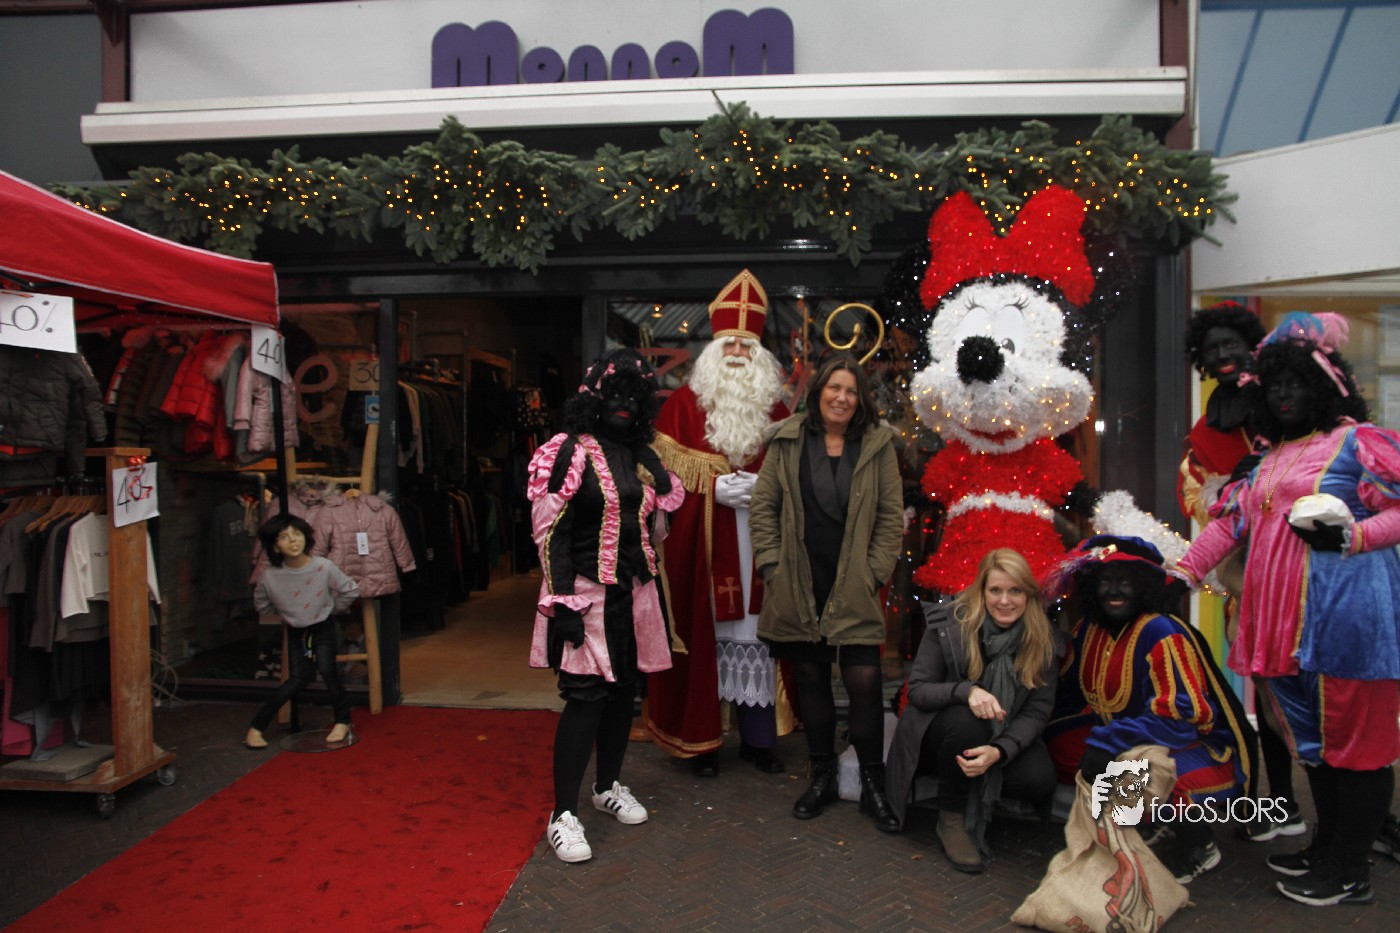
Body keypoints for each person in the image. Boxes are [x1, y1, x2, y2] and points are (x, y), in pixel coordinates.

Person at [1176, 311, 1400, 907]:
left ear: (1326, 385)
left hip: (1348, 625)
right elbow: (1229, 526)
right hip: (1284, 633)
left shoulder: (1357, 443)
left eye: (1297, 383)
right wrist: (1181, 573)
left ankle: (1349, 870)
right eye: (1274, 385)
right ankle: (1328, 852)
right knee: (1318, 750)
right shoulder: (1271, 457)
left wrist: (1356, 535)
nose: (1283, 395)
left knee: (1358, 751)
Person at [526, 347, 685, 864]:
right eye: (615, 395)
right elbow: (550, 534)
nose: (624, 405)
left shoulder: (641, 455)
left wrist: (657, 488)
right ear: (593, 399)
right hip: (586, 595)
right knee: (587, 699)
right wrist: (562, 602)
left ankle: (607, 786)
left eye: (634, 398)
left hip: (632, 596)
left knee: (622, 695)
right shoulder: (568, 452)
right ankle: (562, 814)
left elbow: (652, 529)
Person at [645, 269, 791, 776]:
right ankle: (700, 742)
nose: (737, 353)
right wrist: (709, 489)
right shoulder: (681, 409)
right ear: (712, 349)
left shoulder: (777, 410)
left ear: (760, 355)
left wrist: (765, 489)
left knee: (757, 638)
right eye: (729, 343)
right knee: (705, 635)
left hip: (757, 548)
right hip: (704, 552)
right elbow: (658, 488)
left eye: (746, 345)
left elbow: (796, 481)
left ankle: (758, 741)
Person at [749, 354, 904, 829]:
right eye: (835, 387)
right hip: (799, 579)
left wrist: (873, 574)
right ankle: (822, 776)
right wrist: (773, 568)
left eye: (852, 391)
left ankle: (873, 783)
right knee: (811, 679)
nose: (842, 397)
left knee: (865, 682)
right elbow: (764, 508)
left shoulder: (878, 444)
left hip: (855, 581)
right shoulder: (788, 440)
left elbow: (890, 517)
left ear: (861, 400)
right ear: (818, 392)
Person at [1045, 534, 1255, 885]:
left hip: (1189, 746)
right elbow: (1071, 694)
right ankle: (1138, 820)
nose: (1114, 591)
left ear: (1143, 586)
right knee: (1058, 744)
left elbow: (1181, 719)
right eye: (1106, 582)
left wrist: (1108, 744)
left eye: (1125, 582)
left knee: (1150, 775)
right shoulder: (1088, 629)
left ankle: (1199, 844)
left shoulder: (1161, 631)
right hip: (1125, 740)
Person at [1179, 302, 1304, 844]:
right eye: (1212, 350)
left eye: (1231, 344)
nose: (1223, 355)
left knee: (1310, 701)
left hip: (1303, 572)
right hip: (1249, 577)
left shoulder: (1285, 401)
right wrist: (1231, 488)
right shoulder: (1206, 428)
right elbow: (1200, 499)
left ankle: (1340, 820)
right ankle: (1282, 803)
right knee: (1268, 700)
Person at [885, 548, 1059, 873]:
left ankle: (978, 777)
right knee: (968, 722)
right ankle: (951, 818)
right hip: (940, 736)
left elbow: (1037, 712)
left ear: (1028, 595)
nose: (1005, 601)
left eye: (1015, 591)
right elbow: (919, 690)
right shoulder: (950, 624)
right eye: (995, 590)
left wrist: (1000, 750)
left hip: (1001, 731)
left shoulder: (1042, 640)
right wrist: (966, 691)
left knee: (1038, 780)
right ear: (982, 591)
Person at [244, 514, 360, 749]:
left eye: (297, 534)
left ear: (306, 537)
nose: (293, 541)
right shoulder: (269, 576)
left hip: (322, 624)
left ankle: (342, 720)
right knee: (298, 677)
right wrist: (287, 614)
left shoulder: (323, 566)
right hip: (295, 628)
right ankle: (256, 727)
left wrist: (331, 609)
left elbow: (350, 589)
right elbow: (262, 604)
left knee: (327, 669)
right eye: (284, 537)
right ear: (274, 545)